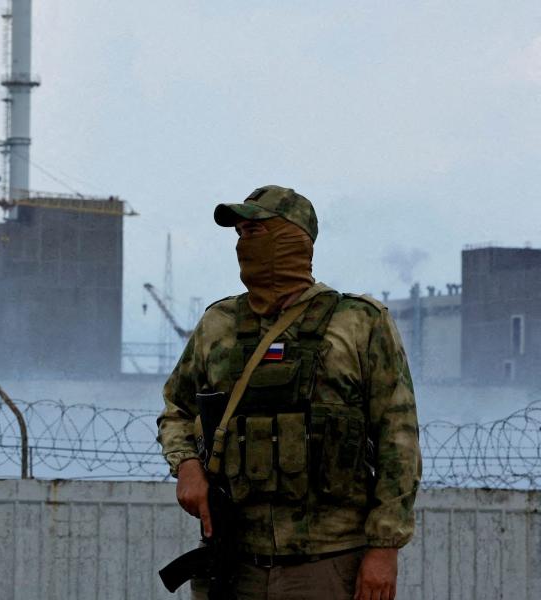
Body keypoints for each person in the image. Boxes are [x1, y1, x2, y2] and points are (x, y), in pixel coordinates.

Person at [157, 185, 421, 600]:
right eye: (239, 233)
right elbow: (177, 409)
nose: (243, 243)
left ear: (292, 238)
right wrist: (187, 465)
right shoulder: (219, 323)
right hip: (236, 561)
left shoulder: (359, 322)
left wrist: (384, 549)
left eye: (255, 231)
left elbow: (398, 439)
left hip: (329, 562)